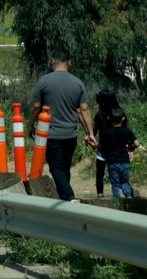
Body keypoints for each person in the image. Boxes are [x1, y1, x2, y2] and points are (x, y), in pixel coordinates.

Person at [28, 46, 97, 201]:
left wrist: (30, 125)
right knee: (65, 168)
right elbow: (83, 109)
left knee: (56, 167)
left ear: (53, 61)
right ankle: (64, 200)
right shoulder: (78, 83)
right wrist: (90, 132)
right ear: (69, 63)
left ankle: (70, 196)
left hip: (51, 134)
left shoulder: (44, 81)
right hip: (70, 135)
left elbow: (36, 107)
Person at [97, 105, 141, 198]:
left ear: (109, 118)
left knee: (116, 184)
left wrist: (94, 145)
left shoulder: (106, 132)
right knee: (124, 181)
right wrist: (131, 147)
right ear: (123, 118)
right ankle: (128, 193)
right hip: (125, 161)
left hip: (112, 162)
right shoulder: (127, 131)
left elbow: (101, 145)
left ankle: (117, 202)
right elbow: (137, 144)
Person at [92, 89, 126, 197]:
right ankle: (123, 193)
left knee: (100, 174)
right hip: (117, 150)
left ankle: (100, 194)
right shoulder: (120, 113)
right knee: (118, 174)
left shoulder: (99, 115)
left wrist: (92, 141)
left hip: (102, 149)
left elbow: (94, 131)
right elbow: (125, 131)